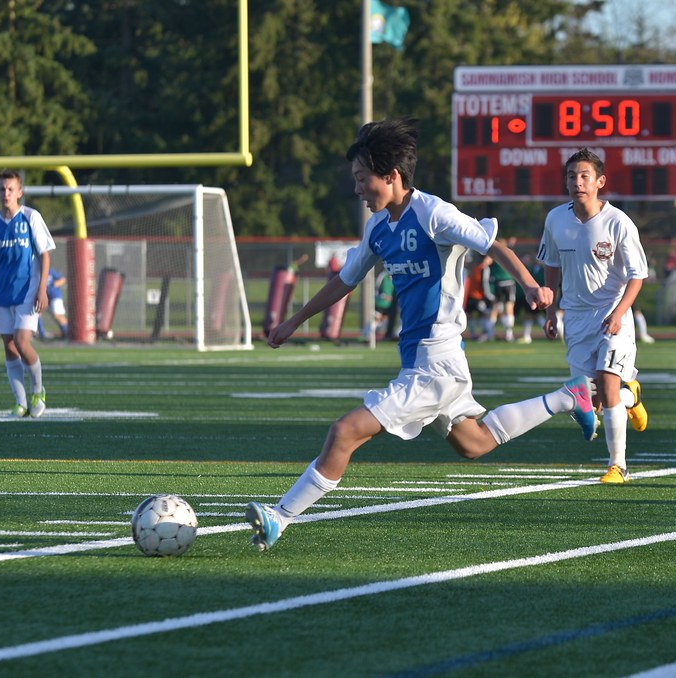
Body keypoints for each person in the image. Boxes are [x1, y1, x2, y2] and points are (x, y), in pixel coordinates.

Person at [245, 118, 596, 551]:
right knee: (474, 443)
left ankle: (280, 517)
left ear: (391, 176)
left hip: (437, 361)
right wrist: (295, 321)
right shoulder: (378, 227)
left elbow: (492, 245)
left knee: (344, 431)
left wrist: (528, 284)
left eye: (362, 178)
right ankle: (568, 397)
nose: (357, 189)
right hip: (420, 358)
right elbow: (345, 281)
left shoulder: (433, 213)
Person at [538, 147, 650, 485]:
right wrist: (551, 311)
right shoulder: (555, 219)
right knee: (591, 399)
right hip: (575, 317)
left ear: (600, 181)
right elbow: (551, 265)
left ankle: (618, 466)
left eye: (585, 176)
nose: (578, 182)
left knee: (607, 381)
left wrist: (619, 313)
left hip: (612, 314)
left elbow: (637, 275)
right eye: (572, 176)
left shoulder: (618, 222)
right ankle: (632, 396)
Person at [0, 170, 56, 418]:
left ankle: (38, 391)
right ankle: (20, 403)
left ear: (19, 192)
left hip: (27, 291)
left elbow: (44, 254)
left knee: (22, 341)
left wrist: (42, 288)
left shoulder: (31, 217)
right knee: (9, 346)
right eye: (2, 189)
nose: (6, 193)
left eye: (10, 189)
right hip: (2, 293)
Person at [38, 268, 69, 340]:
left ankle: (67, 332)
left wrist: (54, 285)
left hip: (55, 296)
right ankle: (41, 333)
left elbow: (62, 279)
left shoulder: (49, 271)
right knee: (38, 312)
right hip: (45, 298)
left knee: (57, 315)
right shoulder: (35, 272)